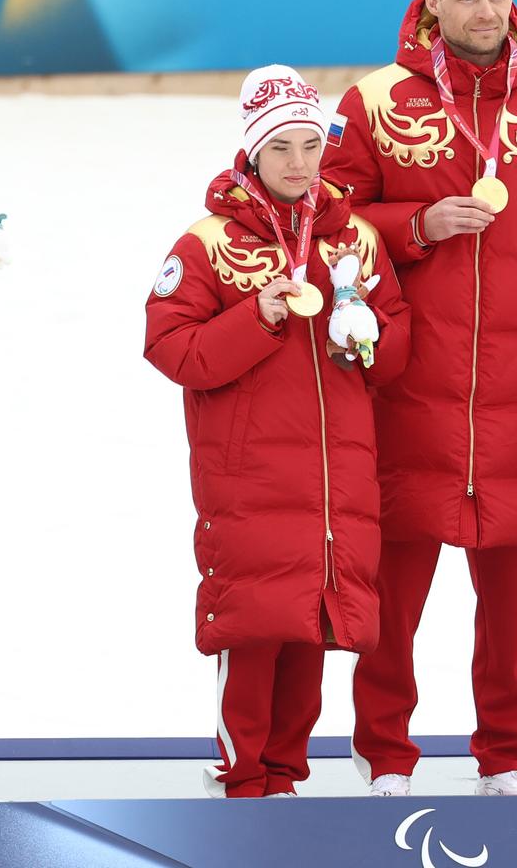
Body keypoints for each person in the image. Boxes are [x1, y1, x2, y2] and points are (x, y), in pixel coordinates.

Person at [321, 0, 517, 796]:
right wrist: (418, 226)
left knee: (512, 603)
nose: (486, 13)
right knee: (394, 595)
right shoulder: (374, 101)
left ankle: (507, 757)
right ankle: (385, 755)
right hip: (410, 387)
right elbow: (331, 226)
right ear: (432, 4)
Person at [144, 65, 411, 797]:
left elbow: (396, 346)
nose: (298, 163)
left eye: (308, 145)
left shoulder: (353, 240)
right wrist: (255, 318)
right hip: (251, 487)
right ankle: (242, 775)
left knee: (312, 635)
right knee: (254, 633)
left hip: (336, 492)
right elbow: (174, 349)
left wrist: (369, 341)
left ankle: (286, 777)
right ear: (252, 153)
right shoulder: (207, 244)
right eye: (280, 148)